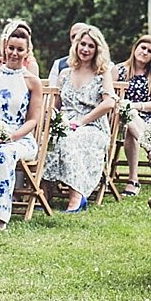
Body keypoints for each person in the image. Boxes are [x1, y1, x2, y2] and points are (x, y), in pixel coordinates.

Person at [44, 25, 116, 211]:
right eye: (82, 44)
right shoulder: (65, 73)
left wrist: (82, 122)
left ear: (97, 49)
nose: (85, 49)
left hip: (92, 126)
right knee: (49, 138)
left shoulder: (102, 73)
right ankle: (44, 194)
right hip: (65, 123)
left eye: (90, 46)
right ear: (76, 45)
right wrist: (54, 119)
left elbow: (109, 103)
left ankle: (77, 197)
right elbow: (56, 104)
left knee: (70, 139)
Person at [0, 24, 44, 228]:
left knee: (4, 154)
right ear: (5, 48)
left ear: (27, 52)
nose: (14, 53)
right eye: (11, 48)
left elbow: (33, 120)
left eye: (19, 49)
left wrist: (12, 136)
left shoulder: (32, 81)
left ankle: (0, 218)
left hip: (20, 138)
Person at [115, 34, 151, 195]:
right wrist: (127, 108)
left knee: (130, 118)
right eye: (142, 48)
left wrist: (134, 106)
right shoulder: (118, 70)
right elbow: (110, 97)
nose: (145, 52)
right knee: (128, 116)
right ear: (135, 48)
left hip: (150, 117)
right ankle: (150, 149)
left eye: (150, 51)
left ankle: (133, 181)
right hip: (121, 119)